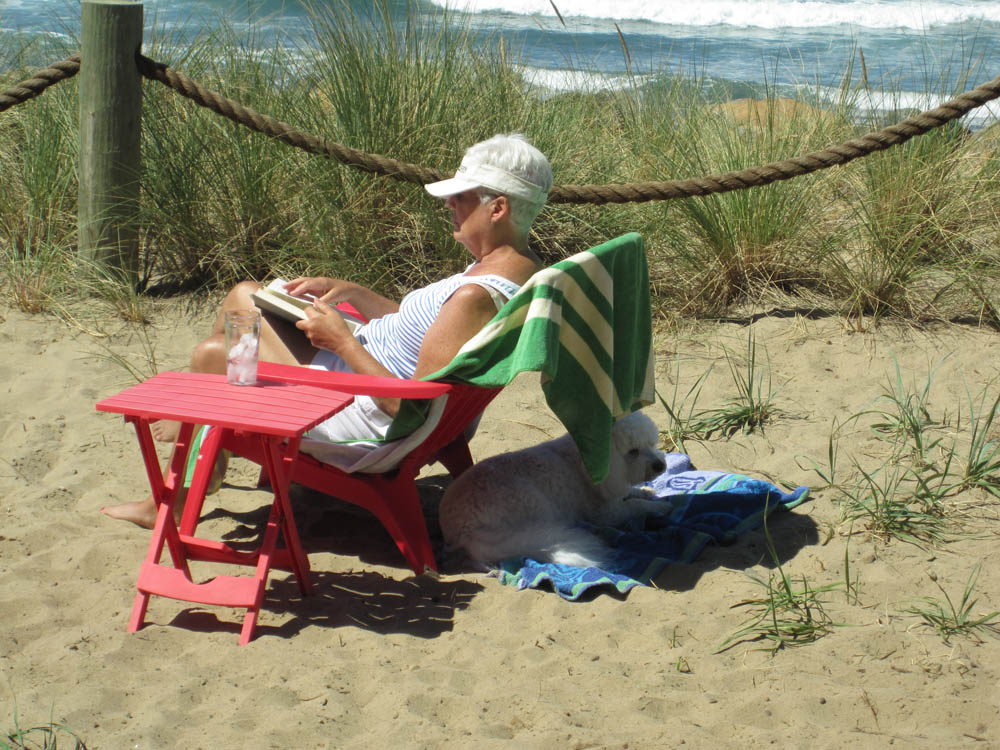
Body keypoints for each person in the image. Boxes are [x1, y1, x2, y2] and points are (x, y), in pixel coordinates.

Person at [102, 133, 553, 528]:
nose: (449, 204)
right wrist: (354, 292)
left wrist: (339, 338)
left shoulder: (476, 295)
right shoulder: (516, 271)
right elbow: (423, 331)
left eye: (462, 196)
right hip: (363, 366)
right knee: (243, 302)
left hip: (359, 406)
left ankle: (184, 488)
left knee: (214, 351)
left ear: (498, 207)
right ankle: (204, 449)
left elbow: (406, 405)